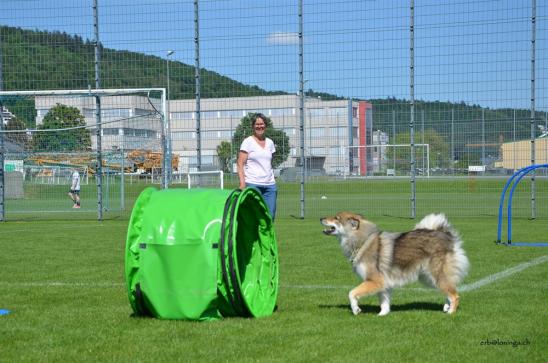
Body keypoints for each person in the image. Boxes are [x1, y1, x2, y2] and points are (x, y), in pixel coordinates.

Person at [237, 113, 277, 220]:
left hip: (270, 186)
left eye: (262, 124)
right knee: (255, 217)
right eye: (257, 124)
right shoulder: (247, 142)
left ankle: (267, 237)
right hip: (253, 184)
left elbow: (269, 162)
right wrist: (242, 183)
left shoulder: (270, 143)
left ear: (265, 125)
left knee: (270, 216)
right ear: (253, 126)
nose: (260, 126)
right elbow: (240, 163)